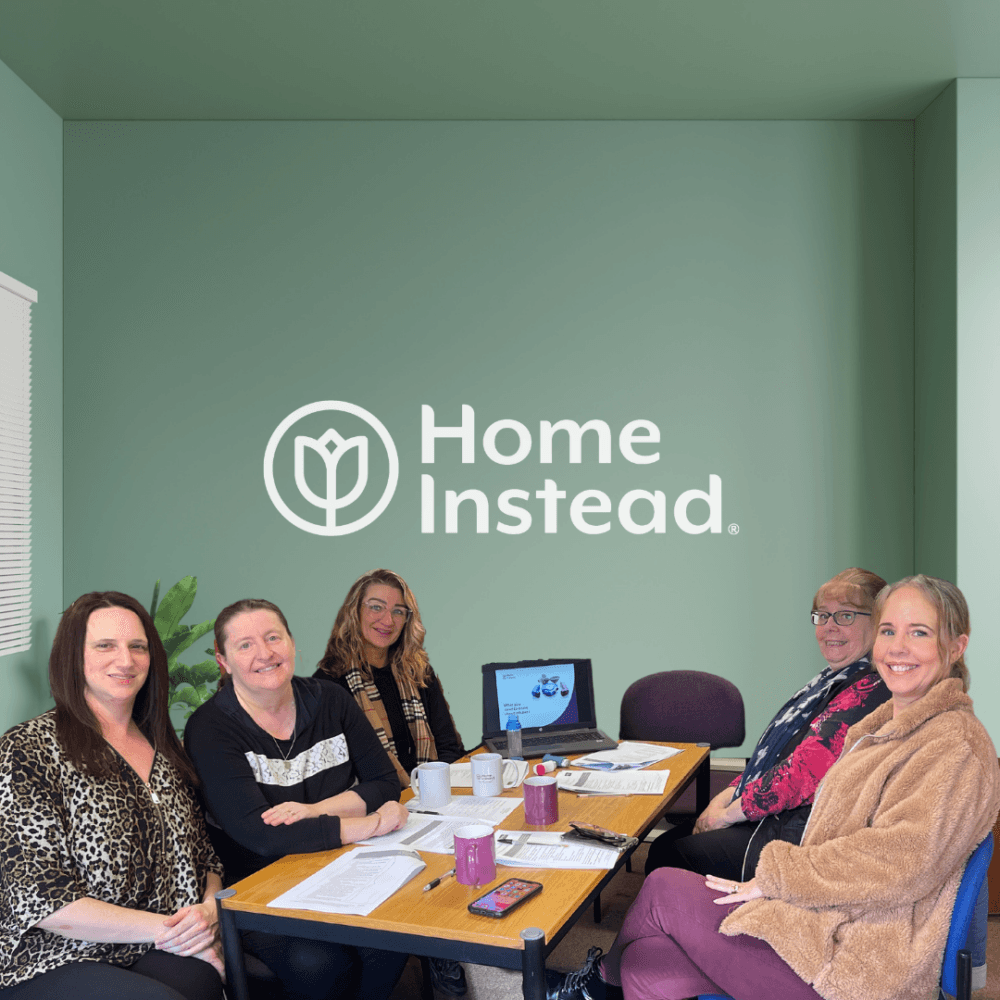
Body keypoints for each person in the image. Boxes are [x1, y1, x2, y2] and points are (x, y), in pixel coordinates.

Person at [550, 575, 1000, 1000]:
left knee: (665, 887)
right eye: (888, 631)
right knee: (646, 964)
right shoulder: (886, 725)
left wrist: (777, 879)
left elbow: (899, 861)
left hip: (864, 959)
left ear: (957, 645)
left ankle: (595, 986)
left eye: (919, 632)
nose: (898, 648)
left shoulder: (953, 746)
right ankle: (603, 983)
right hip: (826, 919)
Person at [0, 592, 225, 1000]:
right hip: (56, 955)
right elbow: (43, 899)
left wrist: (209, 915)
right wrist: (171, 931)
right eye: (105, 645)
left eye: (137, 647)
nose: (125, 661)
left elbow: (204, 856)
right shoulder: (28, 749)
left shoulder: (165, 748)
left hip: (145, 944)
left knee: (205, 982)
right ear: (73, 656)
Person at [184, 598, 410, 1000]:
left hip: (343, 866)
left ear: (291, 643)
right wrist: (371, 824)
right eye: (245, 645)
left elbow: (384, 782)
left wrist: (315, 810)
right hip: (260, 885)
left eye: (273, 638)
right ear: (224, 661)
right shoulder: (210, 727)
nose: (265, 653)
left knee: (390, 939)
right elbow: (262, 835)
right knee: (320, 963)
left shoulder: (331, 701)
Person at [645, 566, 891, 881]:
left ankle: (703, 925)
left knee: (671, 854)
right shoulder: (831, 680)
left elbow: (804, 772)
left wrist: (726, 815)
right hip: (779, 814)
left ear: (880, 622)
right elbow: (772, 756)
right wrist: (725, 798)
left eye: (845, 616)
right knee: (668, 841)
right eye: (822, 616)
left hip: (800, 836)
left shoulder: (871, 688)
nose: (829, 627)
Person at [314, 568, 464, 790]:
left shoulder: (419, 672)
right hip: (376, 808)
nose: (388, 620)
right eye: (376, 607)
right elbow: (334, 776)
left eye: (398, 611)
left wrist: (434, 794)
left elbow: (448, 747)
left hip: (433, 796)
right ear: (355, 612)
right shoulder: (327, 684)